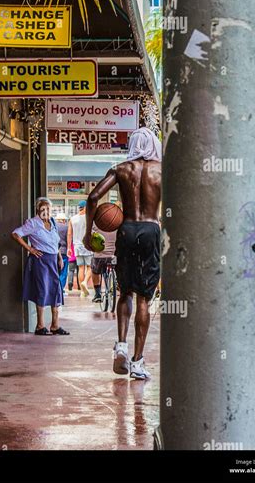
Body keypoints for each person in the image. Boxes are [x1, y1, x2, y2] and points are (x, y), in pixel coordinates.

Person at [83, 127, 161, 379]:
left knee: (124, 291)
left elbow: (93, 197)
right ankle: (137, 363)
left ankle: (121, 346)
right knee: (143, 299)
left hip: (126, 229)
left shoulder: (121, 169)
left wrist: (88, 232)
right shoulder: (162, 170)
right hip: (151, 230)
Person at [11, 197, 70, 336]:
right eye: (43, 208)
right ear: (38, 210)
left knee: (56, 290)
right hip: (40, 260)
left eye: (49, 208)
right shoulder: (33, 223)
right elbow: (15, 234)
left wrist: (59, 257)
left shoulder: (53, 222)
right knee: (42, 290)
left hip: (53, 260)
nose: (46, 211)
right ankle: (40, 326)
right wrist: (30, 249)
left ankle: (55, 325)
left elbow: (55, 242)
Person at [67, 200, 93, 297]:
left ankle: (82, 291)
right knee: (90, 267)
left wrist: (69, 248)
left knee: (81, 268)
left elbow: (69, 234)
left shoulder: (72, 219)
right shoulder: (89, 219)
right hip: (87, 246)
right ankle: (85, 282)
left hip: (77, 246)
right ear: (86, 208)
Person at [91, 224, 117, 303]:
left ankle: (98, 294)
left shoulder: (95, 223)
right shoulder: (117, 221)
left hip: (99, 256)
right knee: (119, 268)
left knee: (94, 271)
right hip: (114, 255)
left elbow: (90, 236)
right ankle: (117, 284)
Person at [55, 212, 69, 295]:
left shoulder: (53, 227)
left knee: (55, 270)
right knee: (63, 271)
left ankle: (55, 287)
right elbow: (68, 239)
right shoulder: (66, 227)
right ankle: (61, 289)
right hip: (64, 251)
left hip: (54, 251)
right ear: (63, 220)